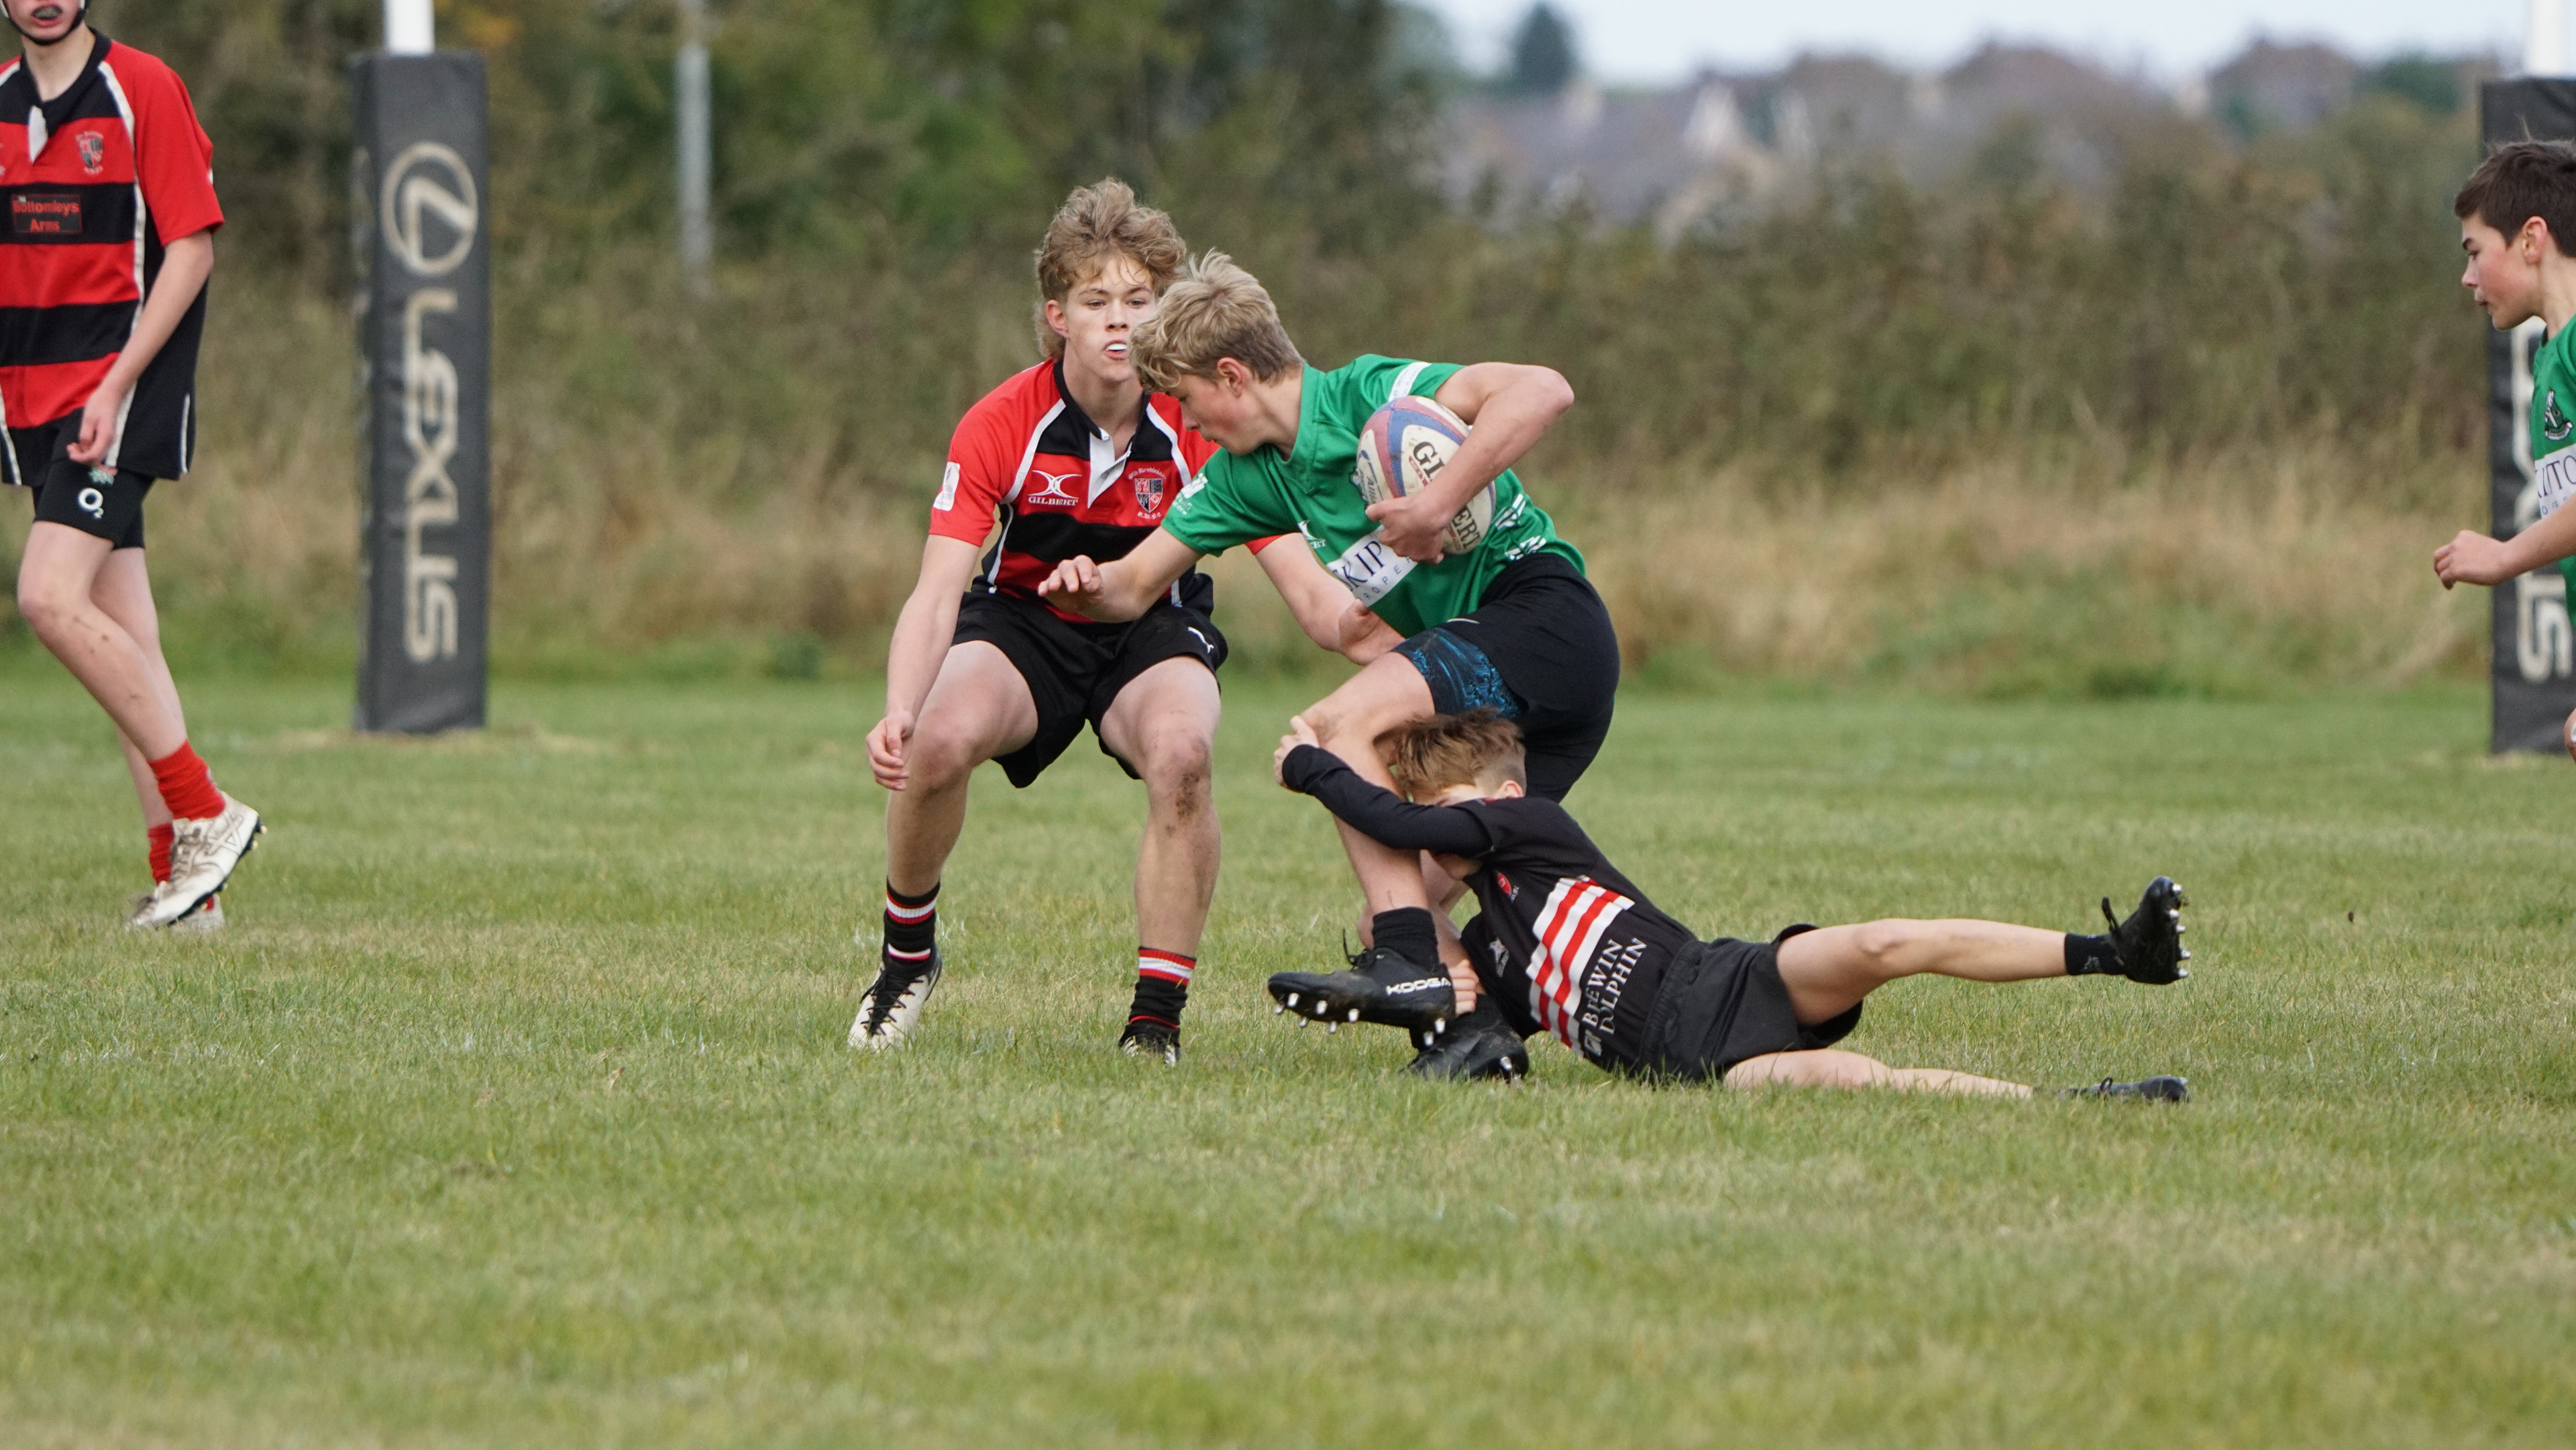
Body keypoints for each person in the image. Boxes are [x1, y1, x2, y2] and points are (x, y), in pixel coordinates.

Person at [1036, 252, 1621, 1068]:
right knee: (1398, 902)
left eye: (1189, 400)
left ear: (1233, 376)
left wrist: (1437, 503)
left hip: (1548, 622)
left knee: (1338, 728)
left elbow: (1543, 390)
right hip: (1497, 695)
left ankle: (1407, 963)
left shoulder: (1370, 395)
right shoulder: (1248, 481)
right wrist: (1081, 586)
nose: (1189, 425)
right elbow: (1132, 585)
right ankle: (1479, 1038)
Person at [853, 183, 1386, 1064]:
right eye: (1096, 301)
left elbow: (1310, 588)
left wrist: (1403, 646)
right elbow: (938, 589)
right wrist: (900, 707)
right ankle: (907, 957)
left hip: (1154, 626)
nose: (1119, 322)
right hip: (1023, 620)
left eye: (1139, 301)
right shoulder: (1001, 422)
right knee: (936, 741)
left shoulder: (1201, 421)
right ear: (1057, 316)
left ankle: (1154, 1023)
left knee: (1183, 755)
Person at [1266, 709, 2193, 1096]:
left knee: (1886, 941)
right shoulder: (1492, 948)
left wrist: (1312, 763)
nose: (1428, 828)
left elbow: (1389, 820)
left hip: (1727, 975)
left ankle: (2116, 952)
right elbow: (1476, 1032)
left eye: (1443, 806)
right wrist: (1418, 964)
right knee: (1854, 1081)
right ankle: (2080, 1099)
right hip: (1693, 1062)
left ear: (1498, 798)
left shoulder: (1534, 826)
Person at [4, 0, 258, 931]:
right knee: (124, 640)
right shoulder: (1, 103)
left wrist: (116, 386)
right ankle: (188, 890)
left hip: (119, 393)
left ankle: (206, 810)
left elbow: (191, 249)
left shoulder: (143, 87)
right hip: (39, 404)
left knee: (47, 598)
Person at [2436, 142, 2576, 680]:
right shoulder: (2551, 357)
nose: (2468, 277)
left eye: (2475, 252)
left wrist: (2505, 556)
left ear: (2532, 239)